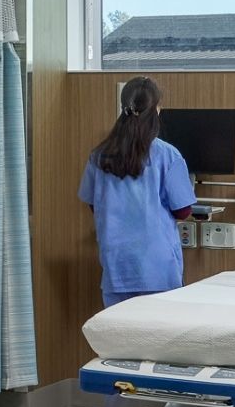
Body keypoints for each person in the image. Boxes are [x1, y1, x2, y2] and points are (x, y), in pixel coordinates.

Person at [78, 76, 197, 310]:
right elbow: (183, 211)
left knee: (120, 341)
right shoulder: (167, 155)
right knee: (160, 339)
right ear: (156, 110)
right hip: (157, 267)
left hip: (117, 266)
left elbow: (94, 203)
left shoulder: (100, 155)